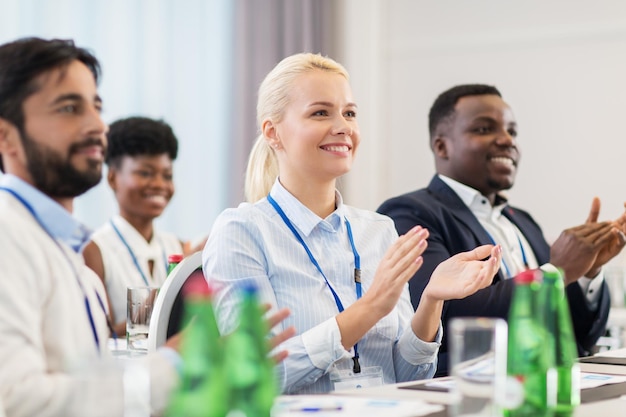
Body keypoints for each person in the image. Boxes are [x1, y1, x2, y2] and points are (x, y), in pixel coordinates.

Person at [0, 37, 293, 417]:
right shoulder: (9, 237)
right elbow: (19, 402)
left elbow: (94, 394)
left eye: (97, 106)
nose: (96, 126)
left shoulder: (63, 248)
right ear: (5, 135)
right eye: (69, 108)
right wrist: (175, 363)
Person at [202, 53, 503, 395]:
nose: (343, 126)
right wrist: (370, 307)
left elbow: (406, 376)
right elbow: (257, 376)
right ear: (273, 132)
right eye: (320, 112)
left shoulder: (377, 231)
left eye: (349, 113)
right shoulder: (240, 232)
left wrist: (432, 299)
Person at [377, 83, 626, 376]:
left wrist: (587, 273)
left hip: (550, 387)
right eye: (484, 129)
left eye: (512, 131)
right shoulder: (409, 214)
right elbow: (447, 317)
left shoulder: (522, 221)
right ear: (442, 145)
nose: (507, 140)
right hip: (470, 392)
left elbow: (577, 335)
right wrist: (556, 271)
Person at [83, 116, 205, 336]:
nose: (159, 184)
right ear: (112, 179)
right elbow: (102, 334)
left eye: (167, 175)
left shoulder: (176, 245)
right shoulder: (94, 251)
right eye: (145, 173)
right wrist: (175, 284)